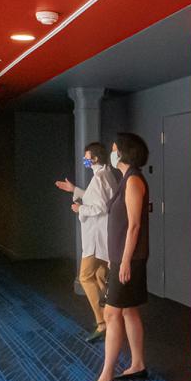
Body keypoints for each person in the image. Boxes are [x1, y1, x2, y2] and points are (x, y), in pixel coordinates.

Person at [82, 132, 150, 381]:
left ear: (123, 152)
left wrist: (123, 262)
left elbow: (134, 226)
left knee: (111, 314)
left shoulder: (133, 180)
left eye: (114, 149)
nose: (112, 153)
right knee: (128, 312)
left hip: (129, 261)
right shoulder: (126, 178)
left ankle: (106, 376)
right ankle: (138, 364)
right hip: (124, 259)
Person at [55, 142, 118, 342]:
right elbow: (97, 199)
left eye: (86, 156)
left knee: (85, 277)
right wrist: (74, 190)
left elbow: (99, 207)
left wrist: (79, 209)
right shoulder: (104, 175)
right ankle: (110, 317)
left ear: (95, 158)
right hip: (102, 236)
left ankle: (102, 323)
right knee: (100, 276)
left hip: (96, 238)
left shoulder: (100, 178)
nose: (84, 159)